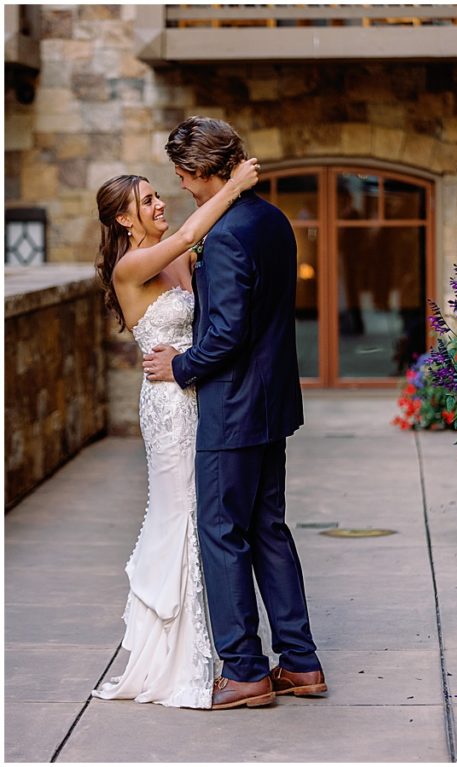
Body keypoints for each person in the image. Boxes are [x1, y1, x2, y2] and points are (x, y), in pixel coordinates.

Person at [145, 117, 326, 710]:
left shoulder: (222, 236)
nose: (181, 187)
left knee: (223, 534)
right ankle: (300, 664)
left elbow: (224, 335)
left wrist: (180, 366)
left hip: (232, 408)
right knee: (269, 528)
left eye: (182, 177)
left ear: (201, 170)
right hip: (272, 402)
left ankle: (245, 670)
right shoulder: (272, 219)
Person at [92, 157, 260, 708]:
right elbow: (192, 229)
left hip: (200, 393)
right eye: (146, 201)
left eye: (159, 195)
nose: (159, 204)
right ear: (124, 220)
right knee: (184, 512)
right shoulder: (132, 267)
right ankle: (181, 655)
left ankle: (218, 647)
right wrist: (233, 185)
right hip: (167, 406)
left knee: (206, 513)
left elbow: (208, 313)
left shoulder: (182, 260)